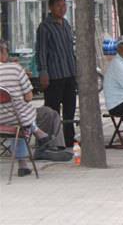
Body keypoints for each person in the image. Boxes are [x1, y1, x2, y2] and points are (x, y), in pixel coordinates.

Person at [0, 40, 71, 175]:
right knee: (49, 113)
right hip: (17, 117)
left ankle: (24, 165)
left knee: (19, 122)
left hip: (3, 120)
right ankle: (52, 146)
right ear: (3, 53)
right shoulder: (15, 68)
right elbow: (28, 97)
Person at [35, 0, 78, 149]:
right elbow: (41, 51)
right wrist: (43, 72)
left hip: (69, 73)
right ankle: (50, 141)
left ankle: (68, 140)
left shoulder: (66, 24)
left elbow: (70, 49)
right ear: (51, 7)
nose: (62, 8)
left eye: (64, 5)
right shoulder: (44, 27)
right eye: (59, 5)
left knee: (70, 109)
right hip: (54, 75)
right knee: (52, 111)